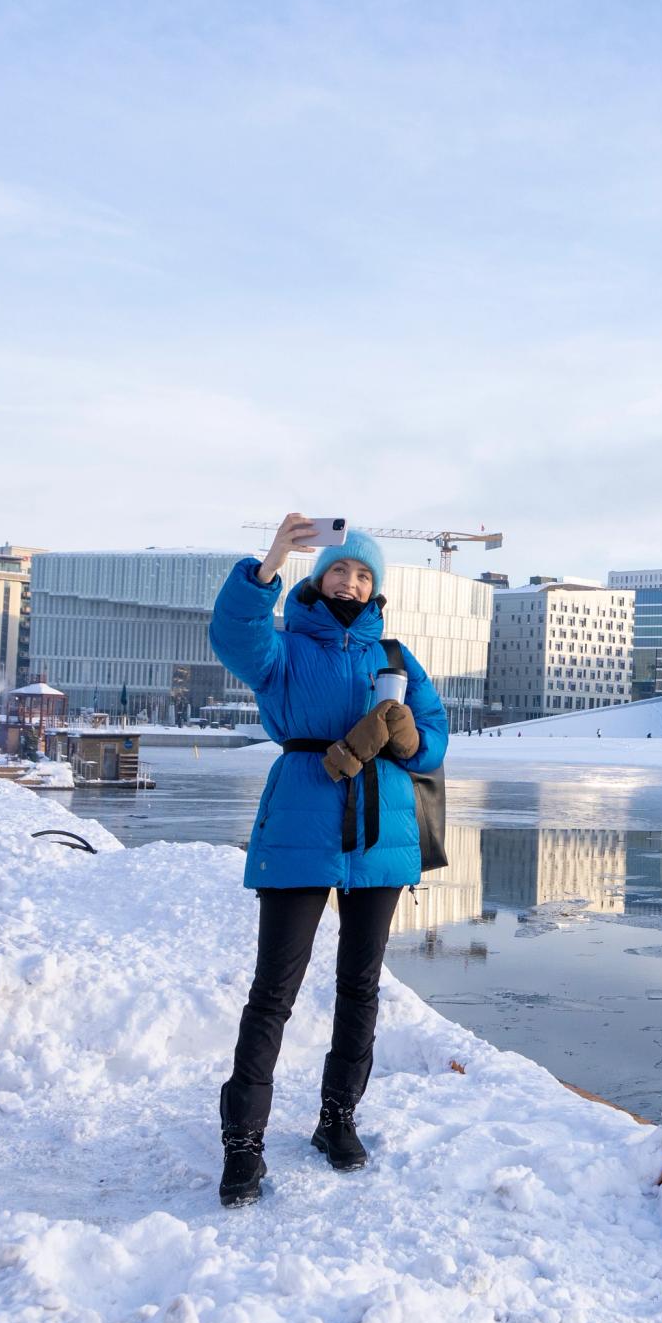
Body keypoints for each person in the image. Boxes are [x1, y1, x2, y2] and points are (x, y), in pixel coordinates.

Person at [207, 515, 448, 1208]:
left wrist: (405, 739)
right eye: (340, 570)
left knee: (361, 986)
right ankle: (243, 1143)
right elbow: (232, 636)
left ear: (376, 589)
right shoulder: (281, 650)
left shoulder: (395, 658)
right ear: (317, 578)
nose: (351, 581)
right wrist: (272, 558)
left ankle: (338, 1117)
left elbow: (435, 740)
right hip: (303, 823)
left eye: (364, 574)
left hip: (381, 833)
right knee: (274, 993)